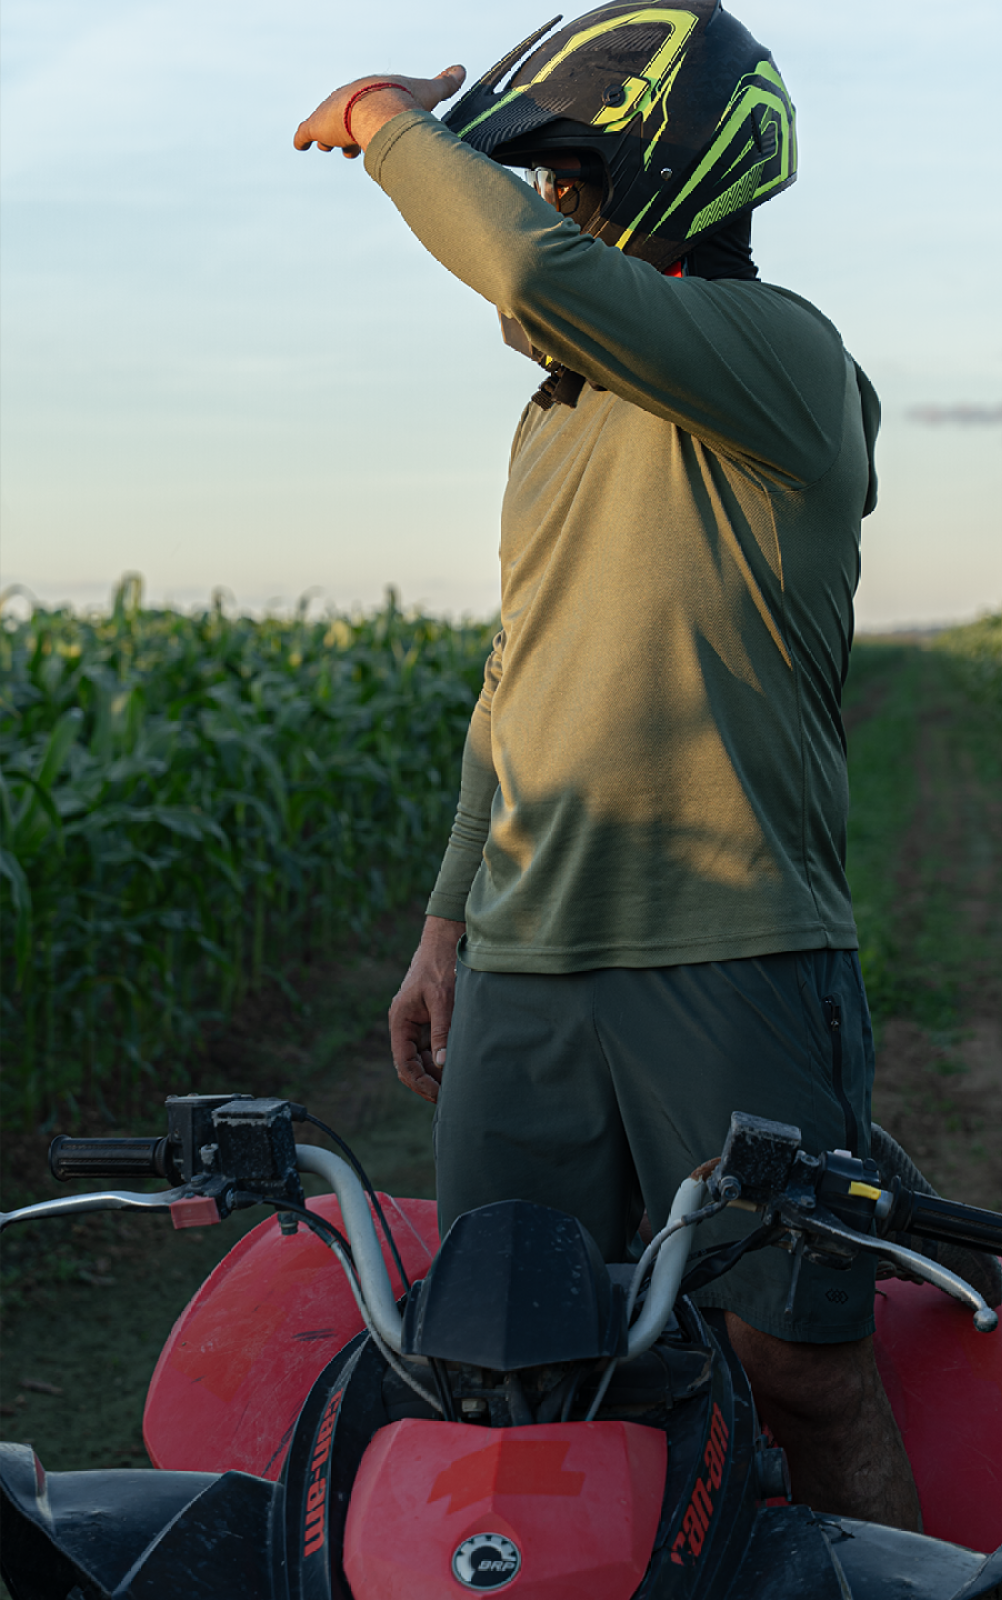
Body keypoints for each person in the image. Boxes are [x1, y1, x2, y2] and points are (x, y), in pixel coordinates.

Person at [295, 0, 920, 1530]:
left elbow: (527, 267)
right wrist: (447, 922)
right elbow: (520, 672)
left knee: (799, 1369)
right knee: (504, 1369)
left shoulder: (787, 360)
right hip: (525, 967)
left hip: (733, 949)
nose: (550, 207)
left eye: (569, 178)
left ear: (670, 175)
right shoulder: (553, 421)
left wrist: (389, 122)